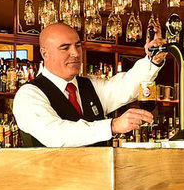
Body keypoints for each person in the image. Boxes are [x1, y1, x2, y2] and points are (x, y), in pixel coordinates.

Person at [13, 22, 166, 147]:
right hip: (50, 183)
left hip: (97, 180)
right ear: (44, 53)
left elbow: (126, 86)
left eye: (78, 46)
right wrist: (112, 126)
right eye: (65, 48)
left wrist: (153, 60)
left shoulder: (89, 85)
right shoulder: (29, 95)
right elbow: (56, 135)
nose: (76, 53)